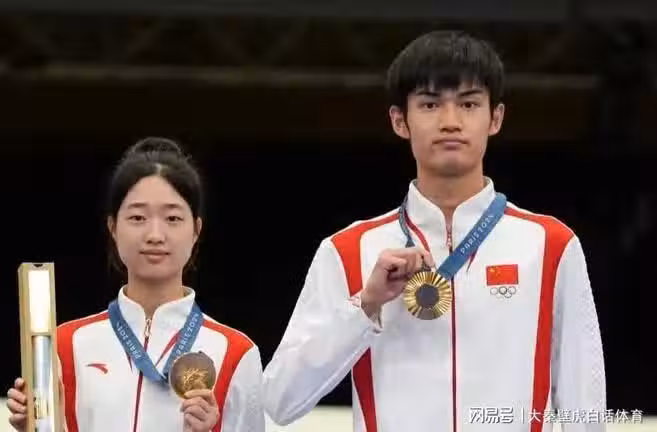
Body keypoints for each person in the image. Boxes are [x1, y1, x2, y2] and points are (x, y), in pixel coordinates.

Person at [262, 30, 606, 432]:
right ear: (399, 121)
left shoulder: (550, 245)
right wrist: (365, 305)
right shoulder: (350, 251)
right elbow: (279, 401)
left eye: (468, 104)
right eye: (429, 104)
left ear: (495, 118)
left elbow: (584, 406)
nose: (450, 122)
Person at [6, 137, 265, 432]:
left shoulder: (236, 353)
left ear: (196, 230)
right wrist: (35, 427)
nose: (155, 235)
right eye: (138, 217)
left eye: (172, 218)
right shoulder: (64, 345)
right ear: (113, 227)